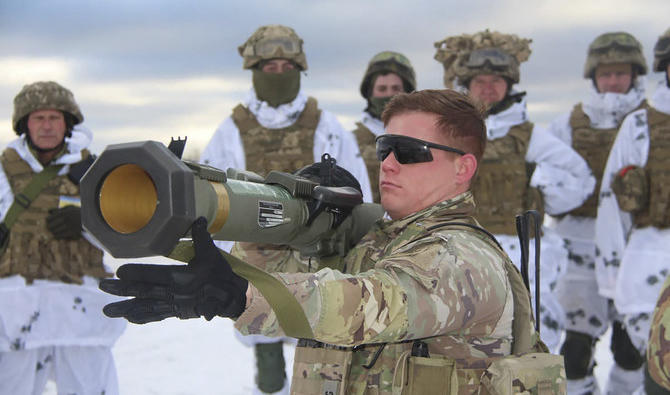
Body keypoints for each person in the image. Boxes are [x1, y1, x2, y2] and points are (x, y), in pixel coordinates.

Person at [100, 89, 565, 394]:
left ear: (463, 169)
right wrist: (291, 218)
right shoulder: (374, 242)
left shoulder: (464, 257)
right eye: (384, 148)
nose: (387, 164)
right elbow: (273, 309)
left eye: (407, 152)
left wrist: (239, 294)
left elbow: (371, 305)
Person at [199, 24, 371, 394]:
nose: (279, 75)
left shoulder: (327, 126)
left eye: (287, 67)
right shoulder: (231, 130)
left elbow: (359, 192)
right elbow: (210, 197)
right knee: (269, 361)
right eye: (270, 67)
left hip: (321, 256)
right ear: (255, 71)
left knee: (323, 346)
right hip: (257, 258)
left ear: (300, 69)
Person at [434, 29, 595, 355]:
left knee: (529, 339)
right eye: (480, 81)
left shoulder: (529, 136)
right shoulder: (448, 132)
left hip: (520, 252)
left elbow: (580, 178)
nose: (488, 87)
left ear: (509, 85)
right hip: (458, 249)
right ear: (467, 85)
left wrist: (540, 188)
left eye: (496, 80)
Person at [0, 81, 125, 394]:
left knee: (90, 387)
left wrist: (87, 222)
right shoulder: (3, 171)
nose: (46, 126)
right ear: (24, 124)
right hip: (18, 306)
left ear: (68, 123)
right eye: (38, 118)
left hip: (79, 305)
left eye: (54, 118)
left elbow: (124, 233)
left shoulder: (94, 171)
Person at [546, 31, 649, 394]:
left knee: (632, 347)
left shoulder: (652, 123)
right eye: (606, 73)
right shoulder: (566, 127)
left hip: (635, 244)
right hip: (578, 244)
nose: (613, 81)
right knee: (574, 349)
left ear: (635, 75)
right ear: (593, 76)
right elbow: (547, 182)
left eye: (621, 73)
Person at [594, 28, 670, 395]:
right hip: (650, 260)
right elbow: (613, 204)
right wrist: (611, 275)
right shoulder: (640, 126)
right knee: (658, 370)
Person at [352, 51, 416, 202]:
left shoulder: (421, 139)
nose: (389, 95)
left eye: (396, 89)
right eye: (382, 89)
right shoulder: (350, 142)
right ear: (370, 93)